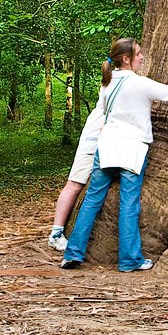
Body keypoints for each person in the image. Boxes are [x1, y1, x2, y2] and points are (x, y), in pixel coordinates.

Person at [61, 38, 168, 272]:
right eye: (139, 53)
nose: (142, 57)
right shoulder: (140, 84)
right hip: (132, 150)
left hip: (107, 147)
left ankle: (72, 253)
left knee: (92, 201)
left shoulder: (107, 84)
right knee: (129, 204)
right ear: (126, 59)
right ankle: (129, 260)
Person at [47, 107, 103, 251]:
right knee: (75, 184)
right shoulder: (111, 86)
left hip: (109, 138)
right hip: (94, 138)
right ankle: (56, 233)